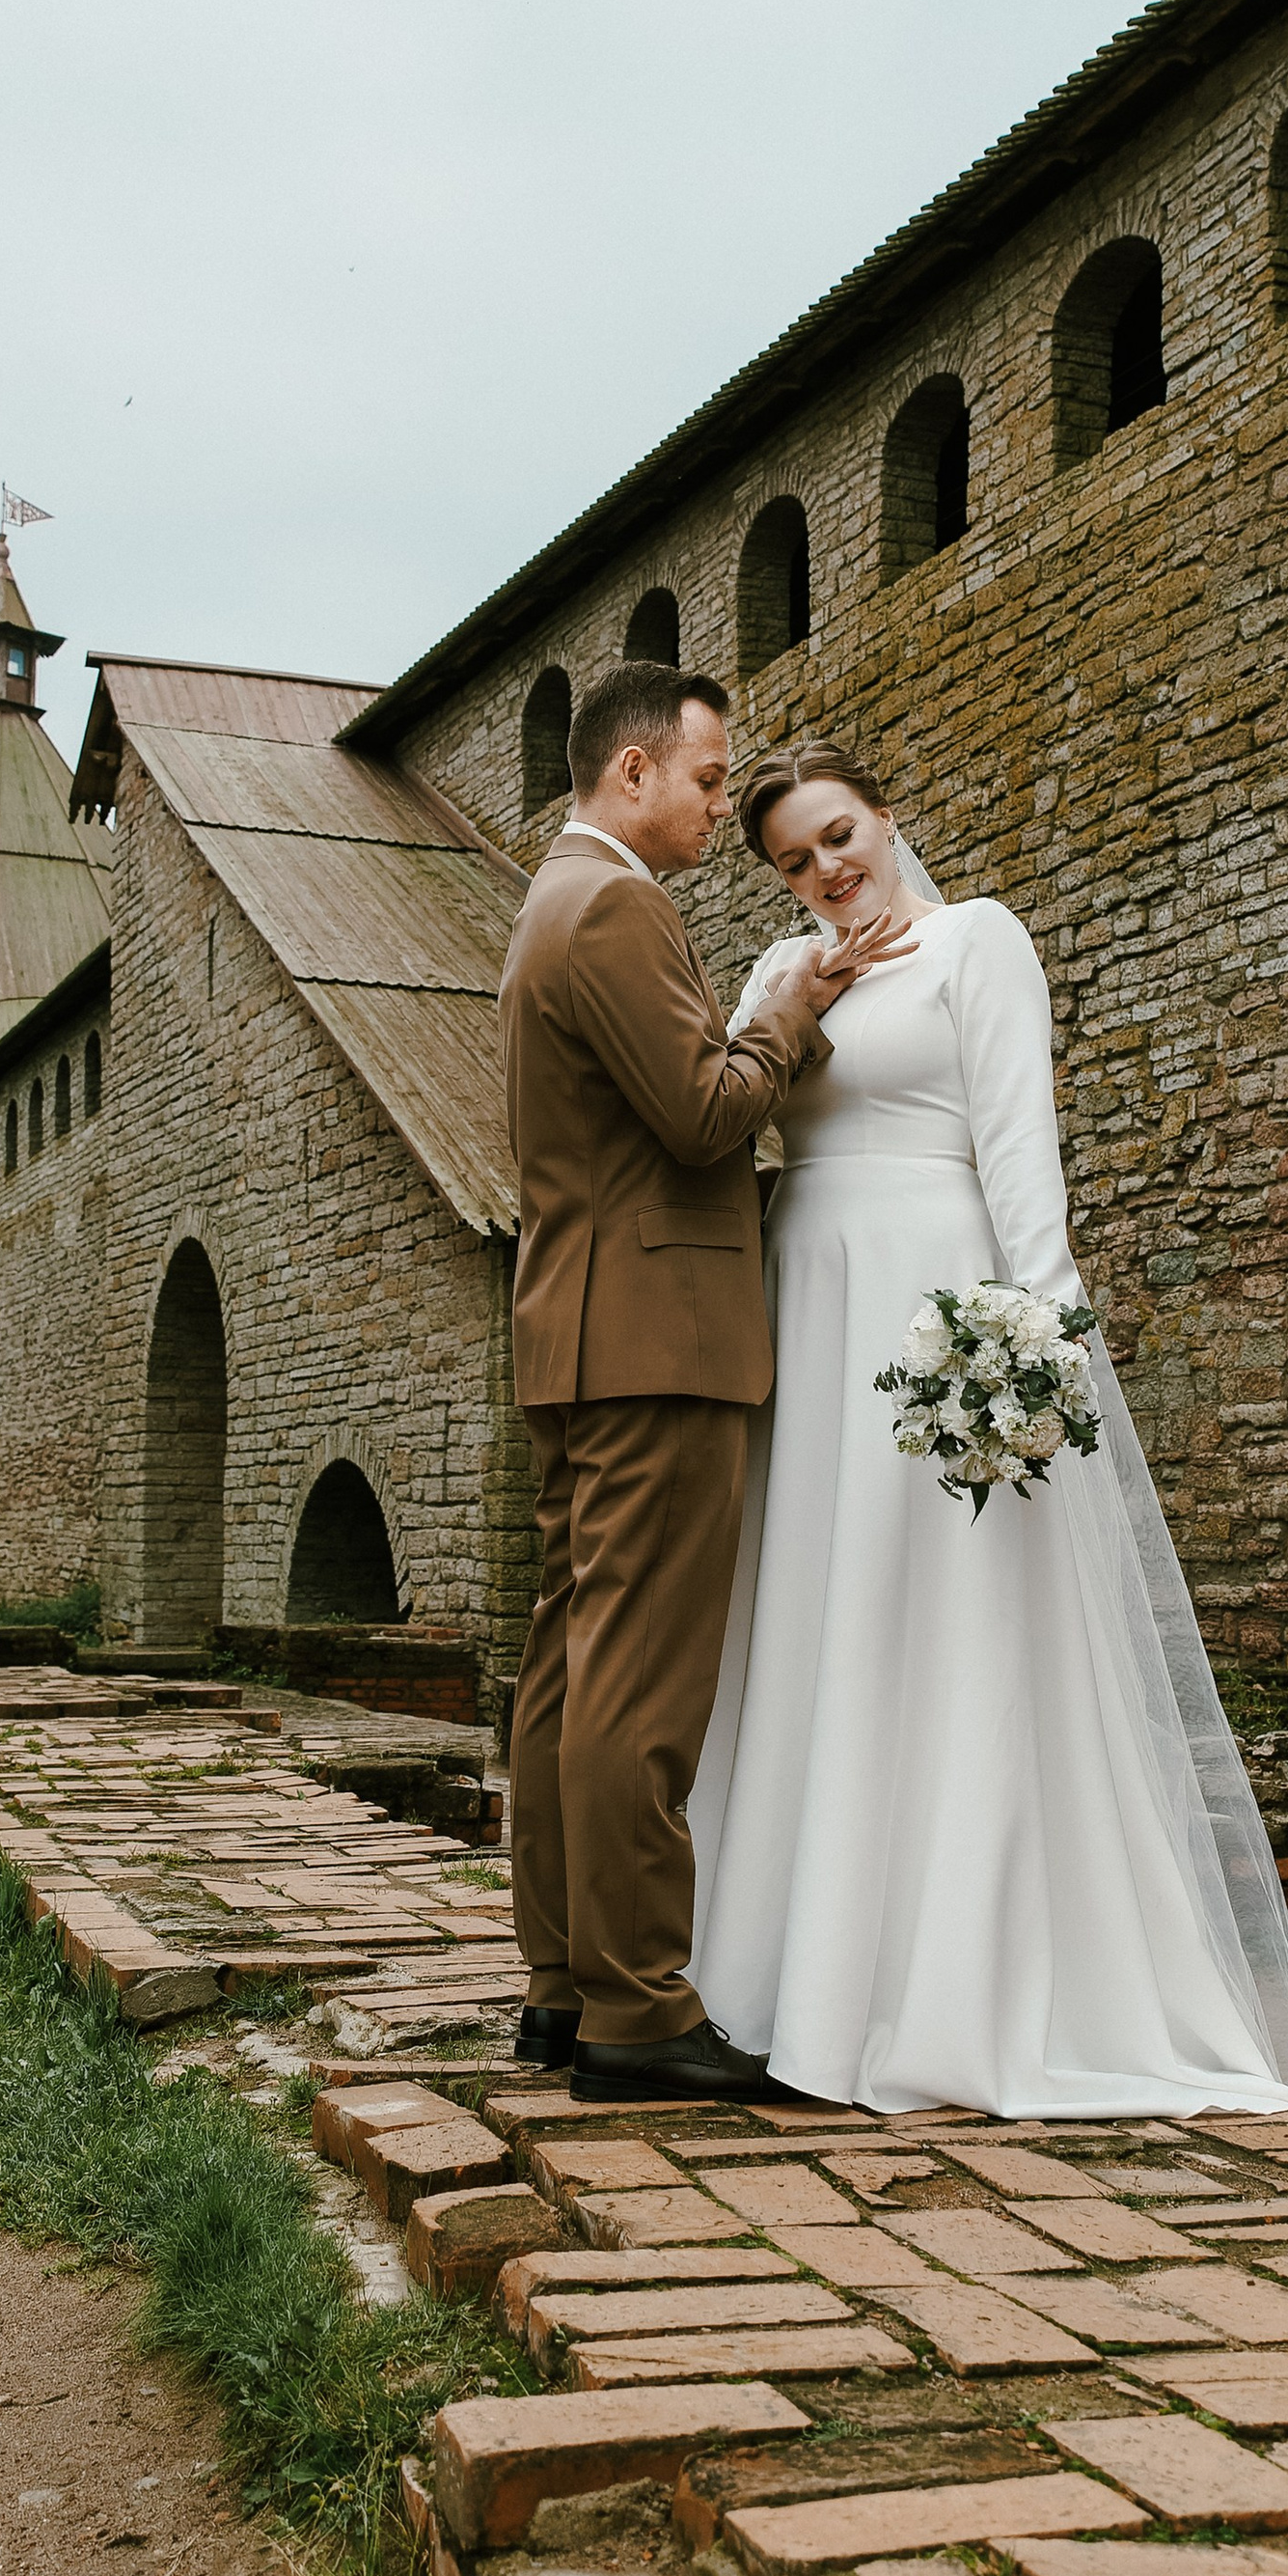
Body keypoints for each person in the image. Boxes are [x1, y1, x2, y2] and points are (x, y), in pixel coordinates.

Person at [687, 737, 1288, 2119]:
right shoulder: (773, 973)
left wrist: (1040, 1341)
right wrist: (794, 999)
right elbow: (734, 1122)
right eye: (796, 860)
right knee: (813, 1606)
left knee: (945, 1609)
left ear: (884, 815)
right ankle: (780, 1980)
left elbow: (1017, 1146)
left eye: (840, 835)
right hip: (806, 1296)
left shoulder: (977, 942)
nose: (827, 871)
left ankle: (949, 1986)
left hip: (937, 1286)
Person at [497, 663, 909, 2106]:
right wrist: (791, 1008)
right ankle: (635, 2007)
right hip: (658, 1334)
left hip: (585, 1328)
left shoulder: (556, 897)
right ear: (630, 774)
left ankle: (561, 1980)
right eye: (710, 777)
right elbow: (702, 1114)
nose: (721, 803)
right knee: (638, 1683)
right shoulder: (612, 904)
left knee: (568, 1667)